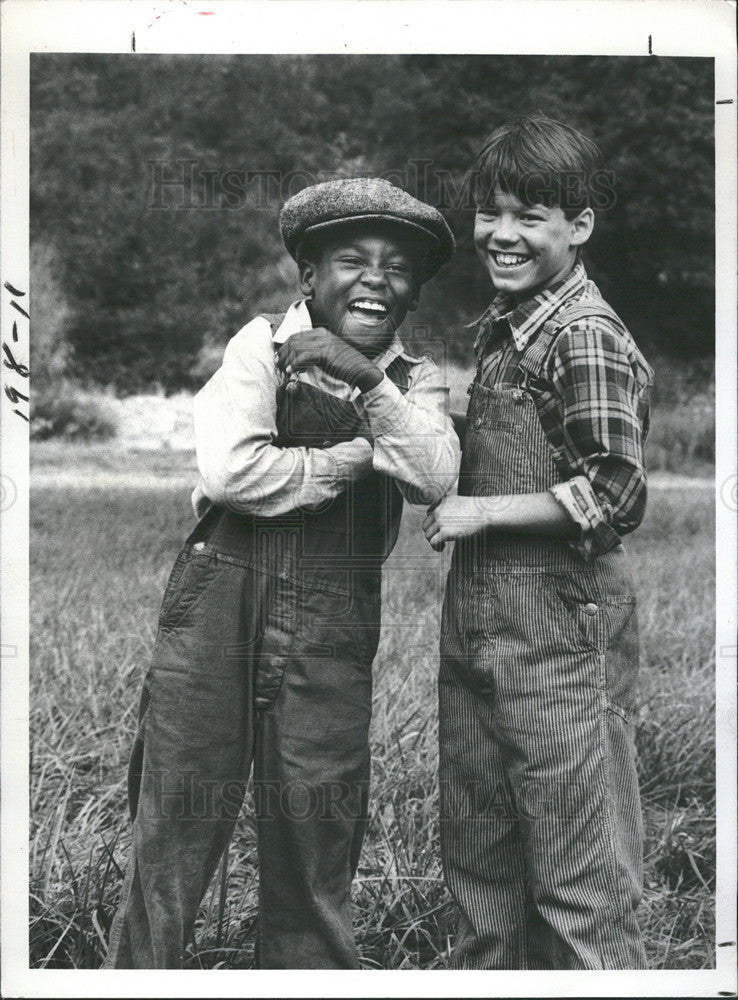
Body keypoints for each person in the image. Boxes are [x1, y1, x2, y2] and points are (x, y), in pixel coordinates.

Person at [105, 177, 459, 969]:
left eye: (398, 266)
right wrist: (353, 459)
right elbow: (234, 475)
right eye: (351, 259)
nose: (376, 278)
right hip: (220, 600)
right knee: (174, 831)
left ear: (413, 290)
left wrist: (365, 383)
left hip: (333, 619)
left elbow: (435, 475)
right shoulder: (257, 344)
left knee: (315, 826)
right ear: (308, 274)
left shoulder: (416, 379)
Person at [422, 113, 654, 969]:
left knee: (578, 882)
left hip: (561, 638)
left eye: (530, 217)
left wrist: (480, 513)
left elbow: (617, 491)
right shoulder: (505, 326)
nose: (503, 234)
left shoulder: (582, 333)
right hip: (481, 630)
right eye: (491, 213)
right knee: (481, 872)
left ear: (579, 225)